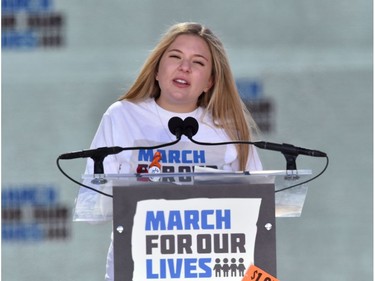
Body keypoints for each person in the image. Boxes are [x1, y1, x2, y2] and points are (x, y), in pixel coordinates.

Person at [82, 22, 262, 281]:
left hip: (209, 269)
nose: (185, 67)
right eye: (175, 57)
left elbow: (259, 206)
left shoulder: (228, 129)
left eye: (198, 62)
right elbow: (91, 207)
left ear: (210, 81)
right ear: (157, 69)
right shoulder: (122, 116)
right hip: (137, 268)